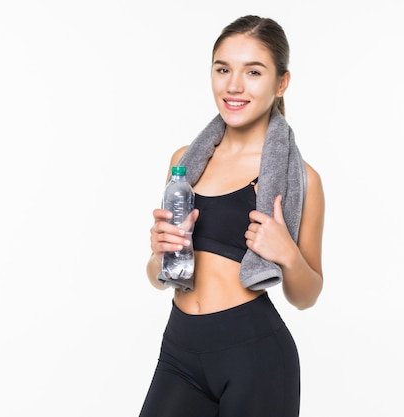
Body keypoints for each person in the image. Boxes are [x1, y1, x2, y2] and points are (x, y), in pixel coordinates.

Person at [139, 15, 325, 417]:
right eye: (223, 69)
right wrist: (158, 254)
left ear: (281, 83)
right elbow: (158, 278)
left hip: (255, 358)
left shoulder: (303, 179)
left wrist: (287, 254)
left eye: (253, 72)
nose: (234, 85)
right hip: (179, 350)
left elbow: (307, 296)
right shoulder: (184, 165)